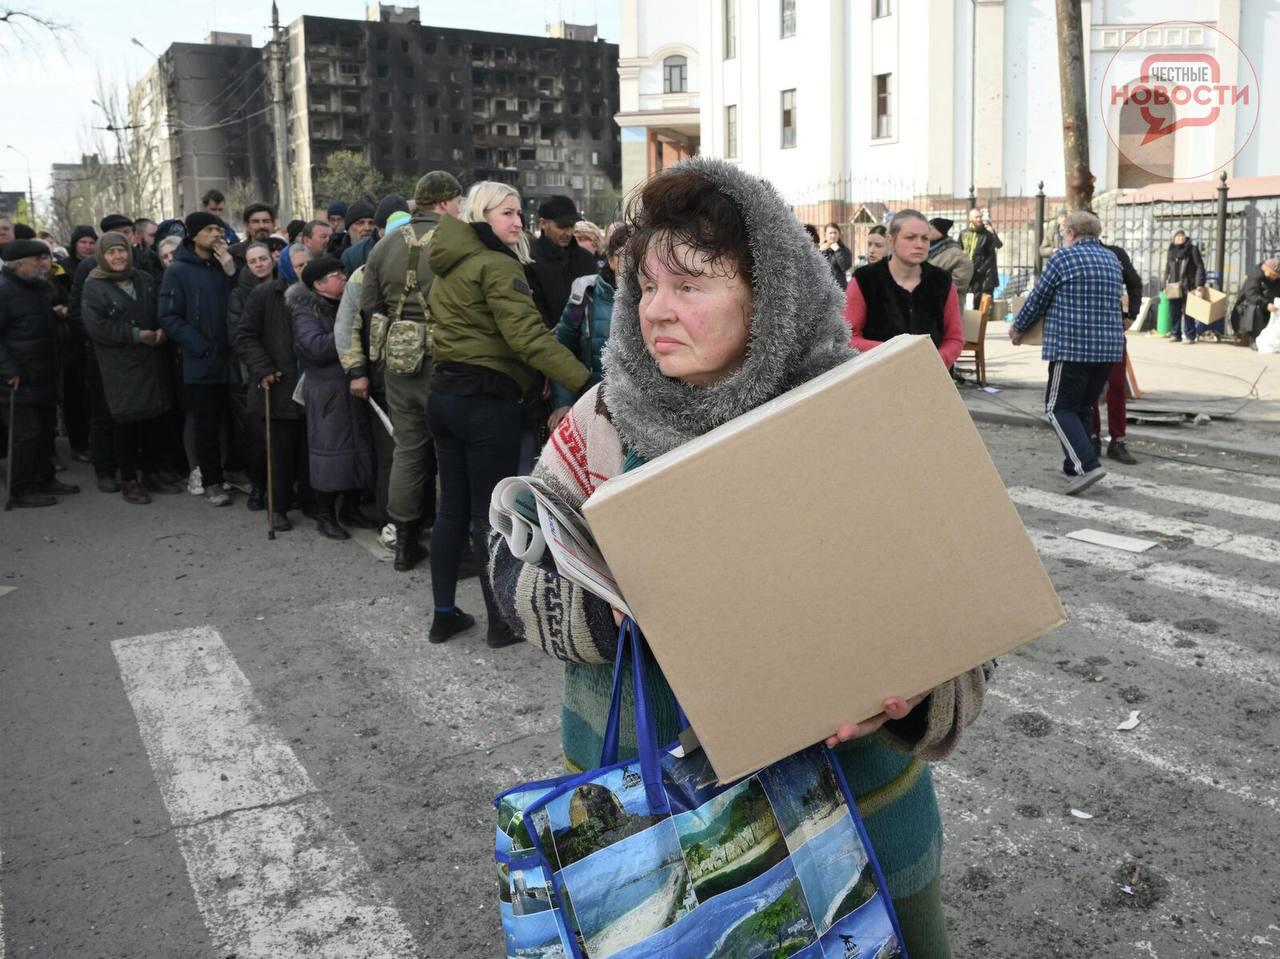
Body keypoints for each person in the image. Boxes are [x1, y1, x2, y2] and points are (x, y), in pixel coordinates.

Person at [488, 158, 988, 959]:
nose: (656, 311)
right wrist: (603, 611)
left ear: (771, 294)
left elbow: (963, 614)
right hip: (659, 838)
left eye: (689, 286)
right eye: (646, 286)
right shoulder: (603, 421)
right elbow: (508, 573)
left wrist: (914, 685)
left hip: (858, 820)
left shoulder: (861, 414)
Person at [425, 180, 589, 645]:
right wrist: (586, 383)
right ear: (482, 215)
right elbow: (529, 338)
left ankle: (444, 614)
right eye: (508, 213)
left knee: (451, 510)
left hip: (445, 395)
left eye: (519, 213)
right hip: (484, 402)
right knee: (487, 515)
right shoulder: (496, 265)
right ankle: (500, 622)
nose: (518, 222)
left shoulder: (446, 264)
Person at [360, 172, 463, 570]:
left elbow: (371, 303)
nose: (458, 208)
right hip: (447, 358)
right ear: (442, 203)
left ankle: (403, 543)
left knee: (407, 449)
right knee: (447, 451)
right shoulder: (455, 240)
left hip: (400, 362)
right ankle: (450, 542)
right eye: (456, 201)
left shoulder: (383, 245)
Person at [1010, 210, 1124, 495]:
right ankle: (1073, 466)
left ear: (1070, 233)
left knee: (1057, 407)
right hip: (1108, 349)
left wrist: (1018, 327)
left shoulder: (1063, 258)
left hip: (1072, 346)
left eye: (1063, 232)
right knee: (1082, 407)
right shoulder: (1111, 259)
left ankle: (1087, 465)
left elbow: (1039, 297)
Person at [79, 232, 178, 504]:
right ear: (102, 256)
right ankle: (129, 479)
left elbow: (162, 309)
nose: (118, 256)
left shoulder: (144, 279)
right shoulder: (94, 286)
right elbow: (97, 327)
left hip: (152, 361)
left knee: (154, 420)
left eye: (121, 251)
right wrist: (136, 335)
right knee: (126, 422)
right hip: (120, 365)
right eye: (111, 252)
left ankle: (151, 472)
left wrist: (162, 330)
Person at [290, 255, 376, 539]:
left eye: (342, 272)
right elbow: (315, 348)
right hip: (327, 394)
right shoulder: (305, 311)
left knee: (358, 452)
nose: (343, 277)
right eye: (336, 275)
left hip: (350, 389)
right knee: (328, 456)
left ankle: (350, 508)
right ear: (318, 284)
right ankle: (325, 515)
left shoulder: (346, 304)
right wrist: (350, 333)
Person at [158, 211, 238, 507]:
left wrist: (231, 270)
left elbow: (240, 302)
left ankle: (234, 471)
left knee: (234, 421)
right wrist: (200, 345)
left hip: (231, 357)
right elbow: (168, 316)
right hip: (201, 361)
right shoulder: (177, 270)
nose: (216, 234)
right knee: (206, 425)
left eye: (219, 228)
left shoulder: (224, 263)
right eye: (209, 229)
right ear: (194, 235)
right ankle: (212, 481)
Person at [232, 242, 312, 531]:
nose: (304, 271)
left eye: (308, 264)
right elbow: (244, 335)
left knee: (307, 450)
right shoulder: (266, 294)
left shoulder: (317, 294)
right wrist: (263, 368)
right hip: (277, 385)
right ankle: (277, 506)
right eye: (299, 265)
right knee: (279, 453)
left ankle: (308, 500)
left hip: (311, 387)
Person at [1, 239, 79, 507]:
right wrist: (9, 369)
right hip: (18, 378)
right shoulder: (3, 290)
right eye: (38, 259)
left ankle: (44, 478)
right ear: (20, 264)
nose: (44, 264)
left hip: (44, 372)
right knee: (26, 434)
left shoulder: (38, 288)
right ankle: (21, 489)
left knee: (46, 430)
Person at [846, 210, 963, 369]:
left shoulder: (942, 282)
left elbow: (954, 338)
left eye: (925, 238)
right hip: (876, 377)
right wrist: (892, 352)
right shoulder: (864, 280)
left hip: (931, 378)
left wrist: (938, 359)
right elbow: (849, 337)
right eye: (910, 237)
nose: (919, 244)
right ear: (891, 240)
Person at [547, 225, 628, 431]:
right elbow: (563, 349)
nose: (630, 263)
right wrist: (563, 402)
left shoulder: (654, 300)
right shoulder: (586, 296)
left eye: (637, 255)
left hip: (636, 412)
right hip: (590, 405)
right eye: (622, 256)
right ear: (610, 260)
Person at [227, 241, 277, 510]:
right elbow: (239, 337)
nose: (259, 264)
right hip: (253, 375)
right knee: (258, 437)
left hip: (283, 370)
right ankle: (259, 486)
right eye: (253, 260)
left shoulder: (286, 287)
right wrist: (260, 368)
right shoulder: (239, 295)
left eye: (263, 258)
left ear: (273, 260)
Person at [1092, 240, 1144, 466]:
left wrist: (1132, 314)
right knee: (1089, 389)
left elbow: (1134, 283)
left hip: (1112, 328)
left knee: (1116, 385)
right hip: (1085, 331)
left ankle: (1117, 440)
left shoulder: (1114, 254)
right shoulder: (1071, 254)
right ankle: (1092, 438)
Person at [527, 195, 598, 329]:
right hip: (547, 342)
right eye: (562, 226)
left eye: (572, 225)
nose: (569, 232)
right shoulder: (529, 261)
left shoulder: (586, 259)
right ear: (543, 224)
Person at [341, 194, 408, 275]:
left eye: (371, 223)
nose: (367, 228)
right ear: (379, 228)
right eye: (360, 223)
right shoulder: (351, 256)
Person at [1163, 230, 1207, 343]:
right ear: (1174, 239)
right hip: (1173, 285)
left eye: (1182, 236)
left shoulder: (1192, 249)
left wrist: (1199, 284)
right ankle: (1175, 334)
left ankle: (1189, 336)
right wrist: (1164, 284)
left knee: (1187, 311)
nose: (1180, 238)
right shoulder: (1171, 250)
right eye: (1177, 236)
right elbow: (1167, 268)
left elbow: (1199, 267)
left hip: (1188, 285)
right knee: (1174, 311)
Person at [1229, 259, 1280, 350]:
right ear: (1267, 269)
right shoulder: (1255, 276)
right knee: (1256, 307)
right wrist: (1266, 304)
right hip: (1246, 311)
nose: (1275, 277)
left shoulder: (1275, 280)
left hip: (1268, 308)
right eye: (1274, 275)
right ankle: (1253, 338)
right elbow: (1251, 295)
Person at [959, 208, 1002, 300]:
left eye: (980, 217)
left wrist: (980, 270)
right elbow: (959, 251)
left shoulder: (987, 234)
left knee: (980, 304)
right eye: (976, 217)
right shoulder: (963, 233)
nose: (979, 219)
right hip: (966, 274)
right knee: (964, 301)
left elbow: (991, 255)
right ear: (970, 218)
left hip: (981, 275)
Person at [925, 218, 974, 294]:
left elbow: (960, 282)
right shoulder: (925, 250)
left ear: (940, 231)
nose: (927, 231)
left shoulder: (955, 254)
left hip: (945, 302)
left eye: (931, 228)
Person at [227, 203, 277, 273]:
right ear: (247, 225)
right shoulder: (233, 254)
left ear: (273, 224)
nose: (261, 226)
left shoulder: (282, 250)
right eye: (256, 222)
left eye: (266, 221)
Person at [819, 223, 853, 290]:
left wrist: (838, 251)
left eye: (835, 233)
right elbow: (813, 267)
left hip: (839, 288)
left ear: (839, 234)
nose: (833, 235)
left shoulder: (844, 250)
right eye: (830, 233)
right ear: (825, 235)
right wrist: (820, 252)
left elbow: (846, 266)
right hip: (823, 288)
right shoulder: (820, 250)